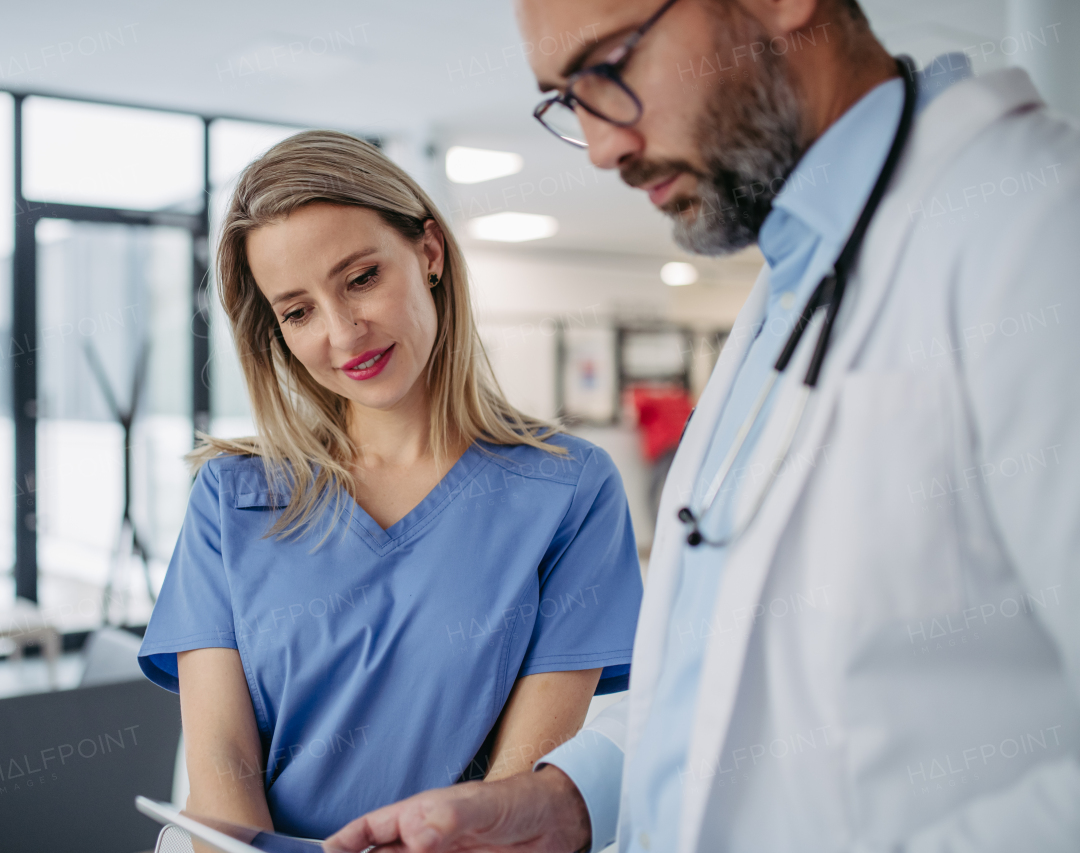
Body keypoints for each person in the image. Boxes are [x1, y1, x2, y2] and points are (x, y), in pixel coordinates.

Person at [324, 0, 1080, 851]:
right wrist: (567, 798)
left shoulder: (1038, 232)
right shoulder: (795, 278)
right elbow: (728, 687)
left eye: (610, 66)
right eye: (568, 99)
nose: (603, 146)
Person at [137, 130, 644, 840]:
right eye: (298, 310)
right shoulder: (232, 496)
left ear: (429, 253)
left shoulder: (569, 489)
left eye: (361, 278)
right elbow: (222, 770)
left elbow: (517, 790)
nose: (343, 333)